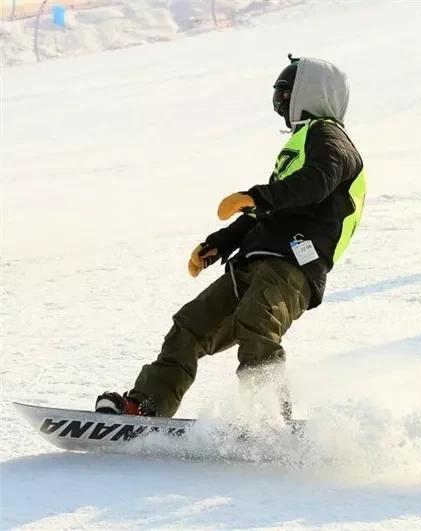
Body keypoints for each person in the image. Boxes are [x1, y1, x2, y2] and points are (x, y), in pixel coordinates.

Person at [95, 55, 366, 422]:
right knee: (189, 327)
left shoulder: (330, 137)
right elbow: (270, 210)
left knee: (258, 323)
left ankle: (268, 417)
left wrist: (258, 195)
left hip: (293, 266)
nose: (280, 104)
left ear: (310, 92)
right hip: (255, 261)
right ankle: (146, 407)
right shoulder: (303, 142)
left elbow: (318, 182)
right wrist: (220, 243)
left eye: (286, 94)